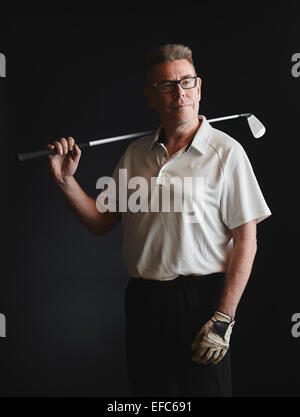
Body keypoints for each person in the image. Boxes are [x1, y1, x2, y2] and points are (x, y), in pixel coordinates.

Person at [46, 44, 271, 397]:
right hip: (144, 302)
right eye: (166, 85)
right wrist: (65, 181)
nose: (178, 93)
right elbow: (100, 221)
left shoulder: (227, 152)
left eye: (186, 82)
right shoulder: (135, 154)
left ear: (199, 88)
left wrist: (224, 317)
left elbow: (247, 241)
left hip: (202, 303)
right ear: (152, 96)